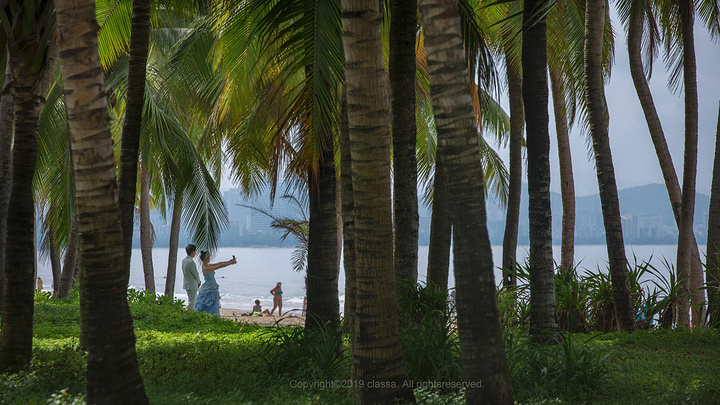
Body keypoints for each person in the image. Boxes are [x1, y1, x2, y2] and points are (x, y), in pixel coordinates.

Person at [194, 250, 237, 316]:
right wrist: (230, 263)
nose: (210, 259)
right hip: (210, 287)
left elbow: (219, 263)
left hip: (212, 286)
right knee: (209, 303)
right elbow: (219, 266)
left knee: (213, 303)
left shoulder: (207, 265)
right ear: (205, 259)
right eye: (209, 258)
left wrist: (230, 261)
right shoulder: (205, 268)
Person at [182, 244, 202, 310]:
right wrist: (199, 281)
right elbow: (195, 274)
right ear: (192, 252)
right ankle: (190, 315)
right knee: (192, 303)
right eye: (195, 252)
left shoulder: (184, 261)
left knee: (191, 301)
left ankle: (190, 313)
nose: (195, 253)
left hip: (187, 283)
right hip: (192, 285)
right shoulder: (191, 262)